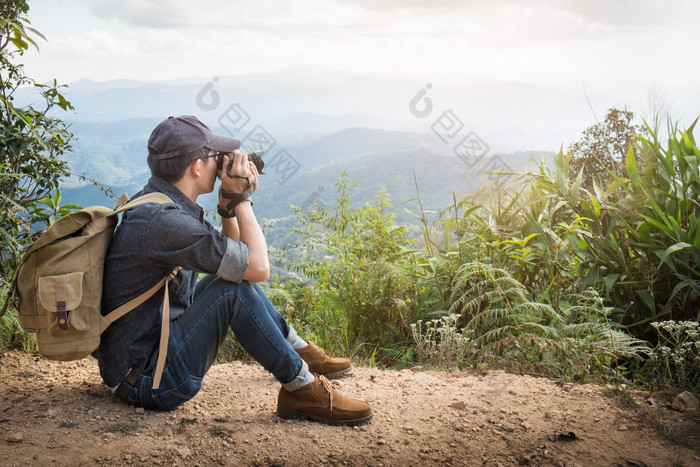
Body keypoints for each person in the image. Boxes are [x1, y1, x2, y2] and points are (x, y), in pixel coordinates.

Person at [95, 115, 373, 426]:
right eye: (216, 156)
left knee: (229, 278)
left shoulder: (161, 203)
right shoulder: (165, 222)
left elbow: (233, 260)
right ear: (197, 168)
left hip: (143, 363)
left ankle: (298, 350)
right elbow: (257, 268)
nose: (222, 163)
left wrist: (227, 207)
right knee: (233, 289)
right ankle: (301, 388)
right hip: (150, 383)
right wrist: (243, 200)